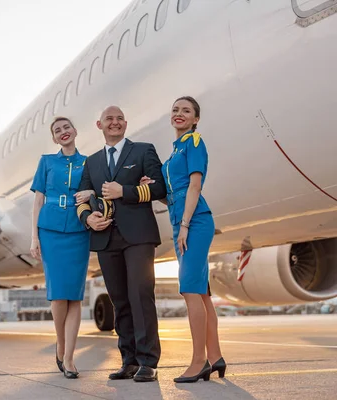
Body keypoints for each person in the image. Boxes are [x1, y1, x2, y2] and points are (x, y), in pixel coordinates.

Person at [76, 106, 167, 382]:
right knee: (120, 301)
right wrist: (88, 220)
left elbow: (160, 188)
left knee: (141, 295)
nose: (114, 123)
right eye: (109, 119)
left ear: (125, 123)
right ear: (99, 125)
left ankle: (148, 361)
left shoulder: (143, 151)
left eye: (118, 119)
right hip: (106, 238)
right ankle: (128, 360)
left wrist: (123, 191)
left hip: (138, 235)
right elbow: (80, 199)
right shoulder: (91, 162)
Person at [159, 96, 225, 383]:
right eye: (175, 110)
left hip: (194, 221)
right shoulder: (174, 152)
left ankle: (199, 362)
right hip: (182, 222)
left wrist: (185, 225)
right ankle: (215, 356)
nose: (179, 114)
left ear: (195, 118)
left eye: (186, 110)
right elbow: (173, 192)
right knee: (200, 291)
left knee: (188, 289)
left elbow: (195, 185)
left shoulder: (194, 142)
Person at [30, 116, 95, 379]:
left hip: (79, 230)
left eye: (66, 127)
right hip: (51, 230)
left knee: (75, 296)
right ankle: (60, 342)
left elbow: (98, 191)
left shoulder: (88, 163)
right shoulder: (46, 162)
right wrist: (34, 237)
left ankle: (69, 357)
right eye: (58, 131)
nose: (63, 132)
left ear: (75, 131)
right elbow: (37, 200)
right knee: (58, 295)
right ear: (55, 139)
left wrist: (90, 194)